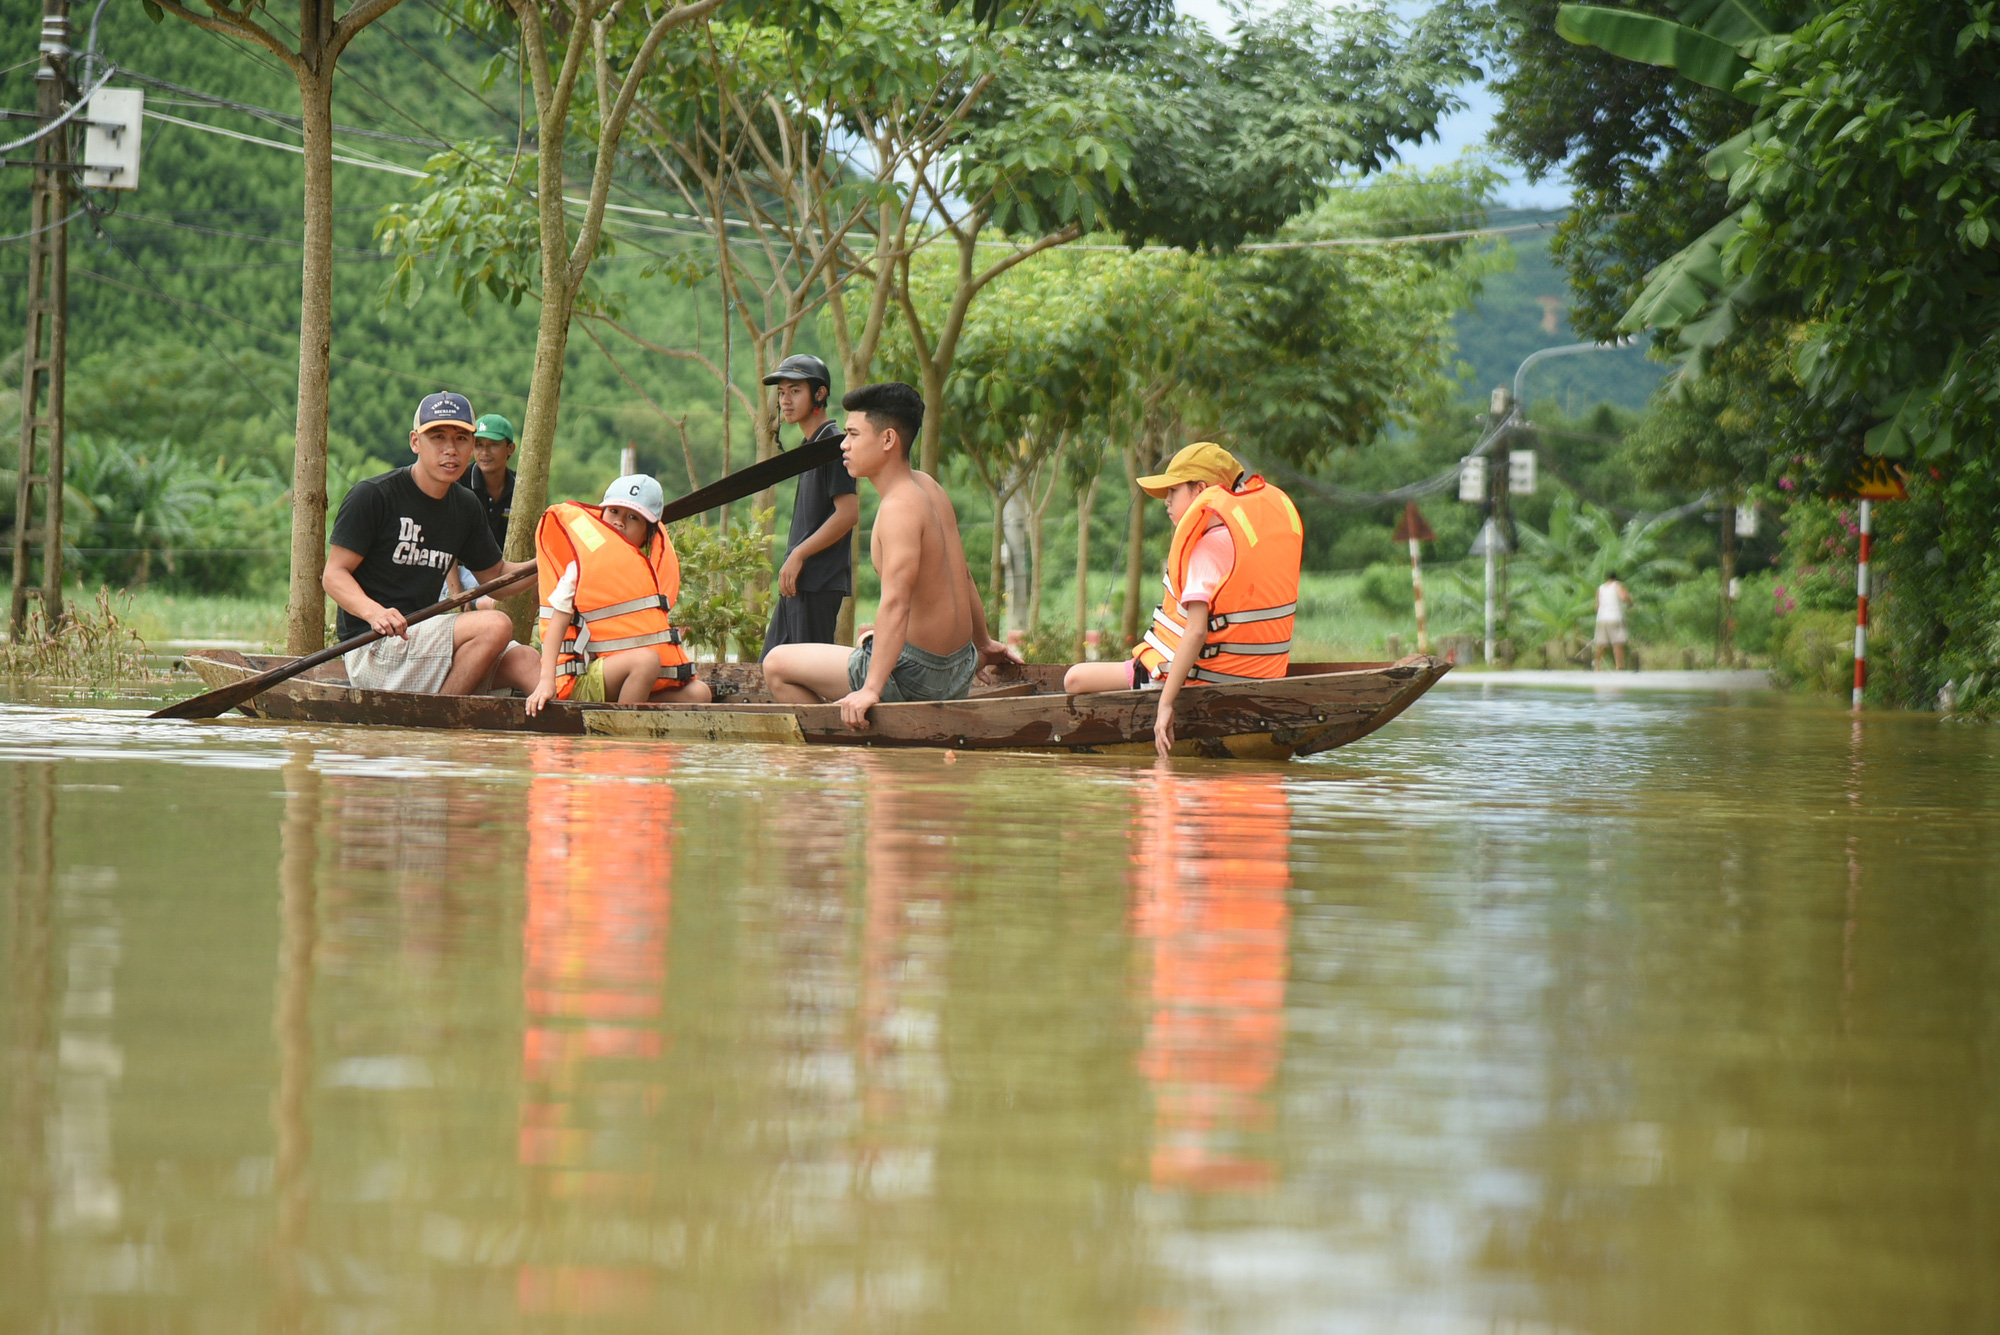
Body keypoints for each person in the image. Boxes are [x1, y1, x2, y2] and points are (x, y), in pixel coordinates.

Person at [762, 382, 1017, 726]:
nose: (844, 444)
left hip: (918, 677)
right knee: (862, 641)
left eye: (853, 434)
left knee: (776, 665)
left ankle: (837, 754)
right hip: (960, 665)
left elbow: (897, 602)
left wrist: (871, 688)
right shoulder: (928, 486)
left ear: (888, 440)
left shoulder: (898, 508)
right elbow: (963, 573)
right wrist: (983, 643)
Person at [1061, 442, 1304, 758]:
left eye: (1173, 491)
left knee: (1073, 678)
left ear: (1200, 490)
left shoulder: (1204, 549)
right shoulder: (1245, 542)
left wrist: (1165, 703)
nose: (1166, 501)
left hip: (1195, 678)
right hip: (1255, 674)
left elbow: (1196, 632)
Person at [324, 391, 541, 695]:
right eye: (437, 437)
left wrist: (547, 564)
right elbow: (334, 575)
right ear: (415, 442)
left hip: (422, 643)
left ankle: (575, 734)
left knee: (526, 660)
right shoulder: (374, 495)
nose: (450, 450)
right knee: (495, 625)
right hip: (374, 647)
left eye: (461, 439)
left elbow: (496, 579)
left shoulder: (465, 506)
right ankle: (440, 719)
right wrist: (376, 613)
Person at [524, 474, 714, 715]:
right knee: (647, 660)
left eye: (633, 517)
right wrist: (546, 681)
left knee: (700, 693)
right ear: (601, 515)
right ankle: (621, 732)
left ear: (648, 532)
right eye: (614, 511)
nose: (620, 522)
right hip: (583, 677)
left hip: (630, 675)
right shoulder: (581, 567)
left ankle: (632, 713)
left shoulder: (648, 570)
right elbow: (556, 625)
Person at [759, 354, 859, 655]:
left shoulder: (833, 444)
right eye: (781, 393)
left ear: (820, 393)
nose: (785, 400)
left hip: (818, 582)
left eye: (795, 390)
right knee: (772, 667)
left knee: (807, 677)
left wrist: (798, 554)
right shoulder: (811, 445)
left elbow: (848, 513)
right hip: (799, 582)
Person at [450, 412, 519, 602]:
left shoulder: (521, 489)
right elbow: (447, 545)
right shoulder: (459, 482)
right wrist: (456, 597)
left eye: (493, 445)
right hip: (462, 571)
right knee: (492, 605)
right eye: (478, 445)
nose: (484, 453)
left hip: (503, 570)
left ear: (510, 448)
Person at [1594, 570, 1633, 671]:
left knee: (1601, 644)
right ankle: (1619, 666)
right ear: (1616, 577)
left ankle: (1597, 665)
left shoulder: (1600, 588)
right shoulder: (1617, 585)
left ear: (1606, 578)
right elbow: (1624, 597)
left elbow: (1596, 606)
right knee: (1617, 643)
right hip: (1614, 617)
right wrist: (1630, 602)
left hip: (1601, 618)